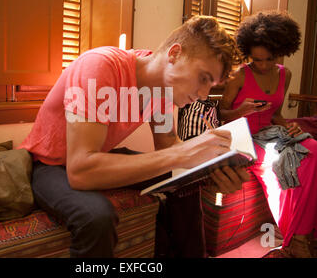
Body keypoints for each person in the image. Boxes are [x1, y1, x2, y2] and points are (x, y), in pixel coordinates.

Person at [19, 16, 249, 257]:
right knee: (96, 217)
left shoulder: (164, 90)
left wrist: (212, 169)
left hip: (96, 156)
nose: (203, 94)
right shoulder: (100, 66)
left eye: (211, 85)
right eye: (203, 78)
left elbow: (168, 145)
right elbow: (80, 171)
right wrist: (184, 154)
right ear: (174, 54)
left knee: (185, 182)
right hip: (48, 164)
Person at [219, 11, 317, 257]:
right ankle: (297, 239)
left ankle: (304, 233)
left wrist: (290, 126)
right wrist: (241, 109)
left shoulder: (284, 74)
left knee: (313, 149)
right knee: (286, 163)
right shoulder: (239, 75)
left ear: (280, 52)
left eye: (269, 59)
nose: (264, 65)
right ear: (248, 54)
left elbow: (276, 113)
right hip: (245, 137)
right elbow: (222, 115)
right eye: (257, 60)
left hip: (272, 132)